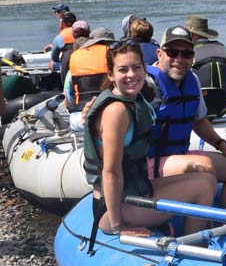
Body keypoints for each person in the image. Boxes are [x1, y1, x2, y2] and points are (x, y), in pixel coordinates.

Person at [82, 40, 215, 250]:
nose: (131, 75)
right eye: (122, 70)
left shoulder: (135, 100)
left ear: (145, 69)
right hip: (114, 208)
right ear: (110, 75)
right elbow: (111, 172)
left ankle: (196, 241)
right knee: (204, 186)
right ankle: (193, 254)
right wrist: (118, 227)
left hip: (135, 191)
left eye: (136, 68)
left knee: (206, 178)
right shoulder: (116, 111)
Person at [145, 26, 226, 210]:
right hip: (147, 164)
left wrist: (223, 145)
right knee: (204, 167)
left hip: (178, 157)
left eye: (186, 54)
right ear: (160, 54)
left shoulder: (192, 79)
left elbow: (199, 121)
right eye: (172, 52)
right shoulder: (146, 84)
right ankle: (196, 232)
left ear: (193, 57)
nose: (179, 59)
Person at [183, 14, 226, 117]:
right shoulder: (225, 51)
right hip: (225, 114)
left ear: (191, 34)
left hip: (197, 116)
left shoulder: (186, 54)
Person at [66, 27, 114, 131]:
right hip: (110, 116)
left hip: (78, 119)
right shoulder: (114, 56)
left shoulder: (75, 56)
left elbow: (68, 99)